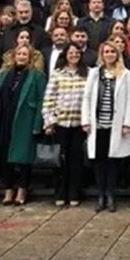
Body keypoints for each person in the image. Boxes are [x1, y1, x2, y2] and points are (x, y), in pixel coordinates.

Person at [82, 41, 130, 212]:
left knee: (113, 161)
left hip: (116, 124)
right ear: (102, 55)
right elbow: (87, 97)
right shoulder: (94, 73)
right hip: (97, 124)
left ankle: (111, 194)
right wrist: (86, 120)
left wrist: (127, 123)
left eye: (112, 52)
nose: (110, 54)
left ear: (117, 54)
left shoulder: (125, 74)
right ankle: (101, 194)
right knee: (99, 160)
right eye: (106, 52)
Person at [0, 44, 46, 206]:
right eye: (19, 54)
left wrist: (37, 124)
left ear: (30, 58)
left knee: (24, 158)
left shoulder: (37, 76)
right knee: (4, 156)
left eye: (25, 54)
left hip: (25, 120)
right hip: (5, 120)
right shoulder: (4, 75)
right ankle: (8, 189)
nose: (21, 57)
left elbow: (41, 100)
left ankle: (22, 189)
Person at [41, 43, 88, 207]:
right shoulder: (57, 74)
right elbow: (49, 99)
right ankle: (60, 192)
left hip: (79, 124)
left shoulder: (88, 73)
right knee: (59, 160)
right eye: (71, 53)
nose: (74, 55)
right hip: (60, 124)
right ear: (65, 55)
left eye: (77, 52)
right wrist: (48, 121)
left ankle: (74, 192)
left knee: (76, 160)